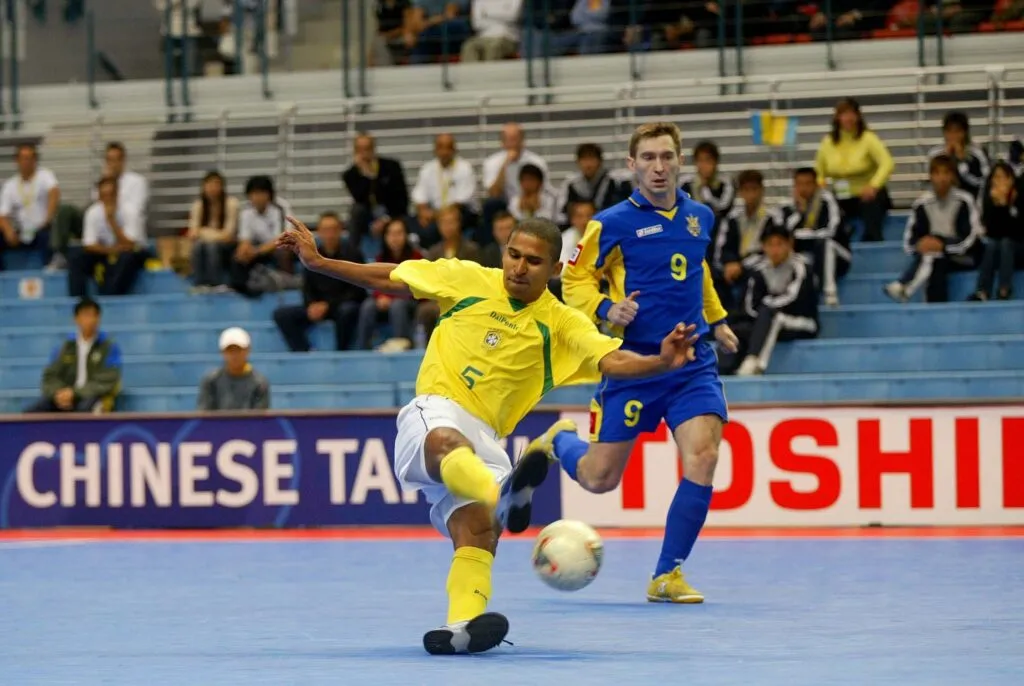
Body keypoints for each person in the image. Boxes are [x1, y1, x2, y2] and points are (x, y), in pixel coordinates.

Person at [277, 213, 701, 655]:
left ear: (554, 269)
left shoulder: (562, 324)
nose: (519, 267)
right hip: (437, 407)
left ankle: (462, 626)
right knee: (445, 443)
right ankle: (503, 494)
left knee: (478, 530)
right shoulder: (466, 278)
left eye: (533, 261)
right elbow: (393, 277)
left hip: (489, 437)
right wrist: (321, 263)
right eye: (513, 255)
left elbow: (612, 360)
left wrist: (659, 362)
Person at [554, 121, 740, 604]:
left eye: (667, 157)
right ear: (632, 165)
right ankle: (560, 442)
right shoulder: (610, 223)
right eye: (649, 158)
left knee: (704, 455)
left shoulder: (700, 215)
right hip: (635, 363)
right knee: (599, 479)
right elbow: (572, 281)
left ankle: (667, 574)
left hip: (691, 360)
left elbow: (697, 270)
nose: (659, 167)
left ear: (680, 162)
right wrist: (604, 309)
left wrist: (716, 320)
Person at [885, 154, 982, 304]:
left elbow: (970, 238)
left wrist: (943, 245)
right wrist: (920, 245)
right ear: (930, 176)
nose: (942, 178)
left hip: (964, 257)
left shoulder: (965, 200)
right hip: (934, 258)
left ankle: (904, 286)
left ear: (953, 176)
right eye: (937, 173)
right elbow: (908, 243)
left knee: (934, 255)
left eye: (946, 173)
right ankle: (931, 307)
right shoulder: (921, 204)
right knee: (933, 258)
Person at [731, 225, 819, 376]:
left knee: (773, 317)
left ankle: (755, 363)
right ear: (763, 247)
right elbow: (749, 305)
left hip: (803, 322)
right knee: (737, 330)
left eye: (779, 244)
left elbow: (794, 298)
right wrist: (764, 313)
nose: (775, 250)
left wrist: (768, 307)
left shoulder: (801, 267)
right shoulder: (759, 270)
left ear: (789, 244)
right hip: (769, 322)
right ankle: (723, 370)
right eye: (770, 245)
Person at [273, 212, 365, 352]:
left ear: (341, 230)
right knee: (281, 314)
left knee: (348, 310)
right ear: (319, 232)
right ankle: (304, 351)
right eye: (326, 230)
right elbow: (307, 286)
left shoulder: (353, 253)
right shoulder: (312, 255)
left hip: (341, 305)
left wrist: (328, 305)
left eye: (334, 229)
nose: (330, 234)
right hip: (319, 306)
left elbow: (358, 290)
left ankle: (342, 352)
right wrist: (311, 305)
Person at [814, 97, 894, 242]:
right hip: (842, 196)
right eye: (844, 114)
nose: (848, 118)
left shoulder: (868, 138)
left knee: (871, 208)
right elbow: (819, 171)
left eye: (852, 114)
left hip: (869, 196)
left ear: (858, 116)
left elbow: (887, 162)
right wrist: (821, 184)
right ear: (837, 117)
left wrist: (873, 186)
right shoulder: (827, 142)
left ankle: (872, 243)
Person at [25, 298, 122, 414]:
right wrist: (59, 393)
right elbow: (49, 376)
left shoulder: (109, 347)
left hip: (93, 396)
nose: (90, 320)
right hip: (66, 395)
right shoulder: (65, 347)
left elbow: (108, 379)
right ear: (76, 319)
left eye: (94, 316)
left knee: (84, 410)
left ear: (99, 318)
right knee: (33, 411)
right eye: (86, 315)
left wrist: (75, 393)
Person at [969, 161, 1024, 301]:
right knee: (992, 244)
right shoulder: (990, 199)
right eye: (995, 177)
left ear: (1011, 179)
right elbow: (991, 232)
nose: (998, 181)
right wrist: (999, 206)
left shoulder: (1021, 196)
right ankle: (982, 291)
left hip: (1020, 248)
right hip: (1001, 250)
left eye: (1002, 177)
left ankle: (1004, 289)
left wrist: (1007, 205)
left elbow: (1018, 232)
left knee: (1006, 242)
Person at [197, 327, 271, 411]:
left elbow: (259, 418)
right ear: (222, 352)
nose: (234, 355)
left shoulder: (260, 382)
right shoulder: (211, 380)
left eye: (238, 349)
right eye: (230, 350)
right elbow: (204, 414)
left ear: (248, 350)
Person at [188, 170, 239, 290]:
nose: (212, 188)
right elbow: (193, 233)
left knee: (211, 245)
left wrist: (204, 232)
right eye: (209, 185)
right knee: (198, 245)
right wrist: (213, 234)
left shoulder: (231, 204)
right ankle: (200, 283)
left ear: (222, 187)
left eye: (216, 184)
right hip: (205, 245)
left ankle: (216, 283)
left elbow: (228, 235)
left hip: (228, 247)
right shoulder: (198, 205)